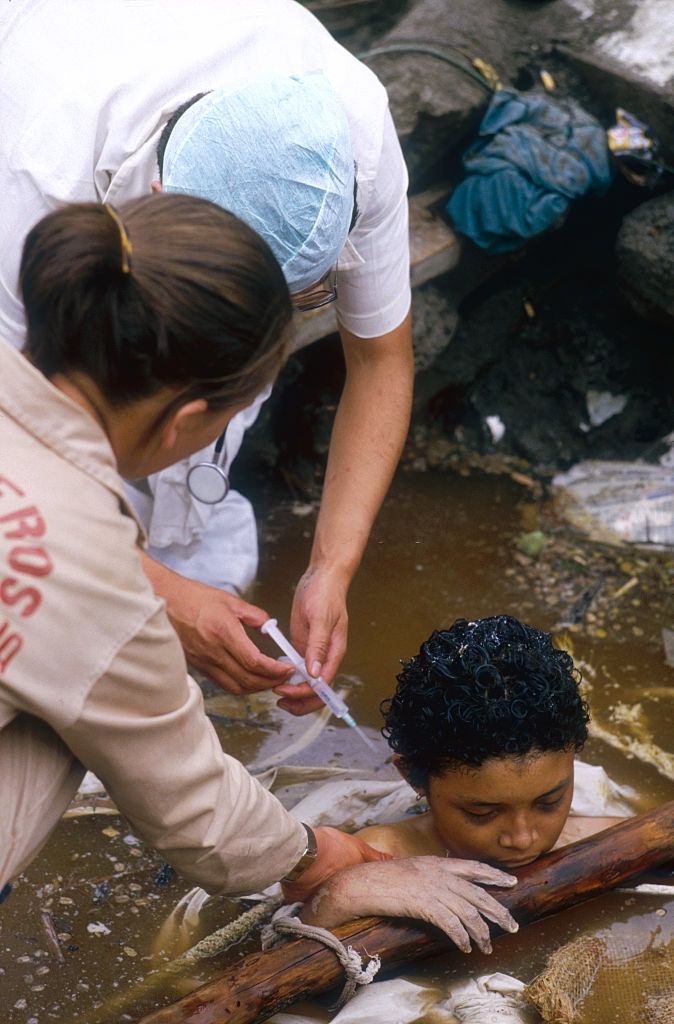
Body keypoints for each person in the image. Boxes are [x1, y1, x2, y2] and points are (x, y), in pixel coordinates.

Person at [0, 197, 519, 956]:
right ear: (185, 422)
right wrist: (321, 857)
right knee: (75, 720)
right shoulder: (91, 580)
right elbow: (189, 802)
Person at [0, 0, 414, 710]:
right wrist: (154, 594)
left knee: (179, 525)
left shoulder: (350, 142)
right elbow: (15, 453)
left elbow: (381, 359)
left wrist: (330, 567)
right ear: (160, 201)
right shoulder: (39, 178)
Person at [300, 616, 623, 953]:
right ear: (413, 776)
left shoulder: (596, 841)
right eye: (482, 812)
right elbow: (300, 941)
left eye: (549, 802)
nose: (522, 838)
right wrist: (342, 892)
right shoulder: (378, 859)